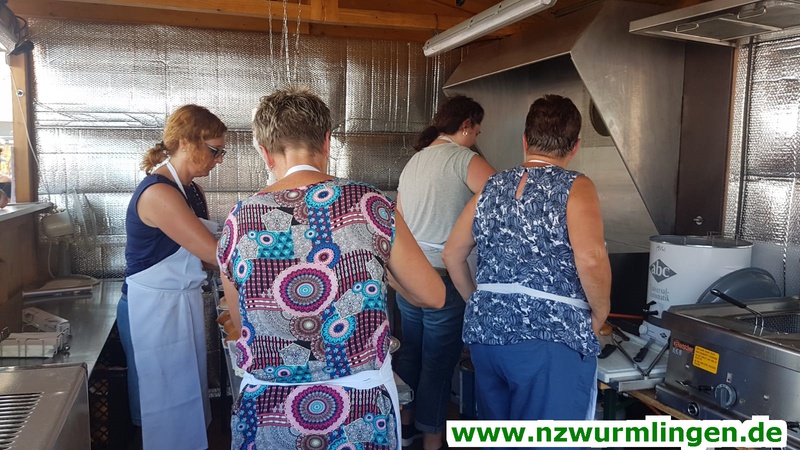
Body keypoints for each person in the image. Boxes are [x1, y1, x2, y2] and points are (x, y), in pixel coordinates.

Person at [217, 86, 446, 450]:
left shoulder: (238, 219)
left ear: (264, 151)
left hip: (269, 413)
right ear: (326, 142)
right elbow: (433, 295)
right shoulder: (369, 203)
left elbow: (241, 319)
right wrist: (375, 265)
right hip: (358, 411)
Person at [442, 94, 611, 427]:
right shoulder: (576, 186)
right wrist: (600, 311)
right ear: (575, 146)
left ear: (525, 141)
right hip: (550, 338)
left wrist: (480, 303)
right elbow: (591, 257)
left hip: (487, 337)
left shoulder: (491, 186)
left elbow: (452, 254)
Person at [117, 104, 227, 450]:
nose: (219, 159)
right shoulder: (158, 193)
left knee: (187, 397)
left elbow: (204, 256)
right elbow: (212, 254)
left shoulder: (192, 190)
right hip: (152, 309)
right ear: (187, 142)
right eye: (214, 150)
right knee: (163, 405)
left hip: (181, 302)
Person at [394, 94, 495, 450]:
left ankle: (407, 428)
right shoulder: (464, 159)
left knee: (411, 354)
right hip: (443, 277)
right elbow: (504, 200)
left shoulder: (415, 161)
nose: (477, 137)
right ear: (466, 125)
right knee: (438, 363)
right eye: (477, 130)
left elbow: (399, 220)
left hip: (408, 277)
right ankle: (433, 441)